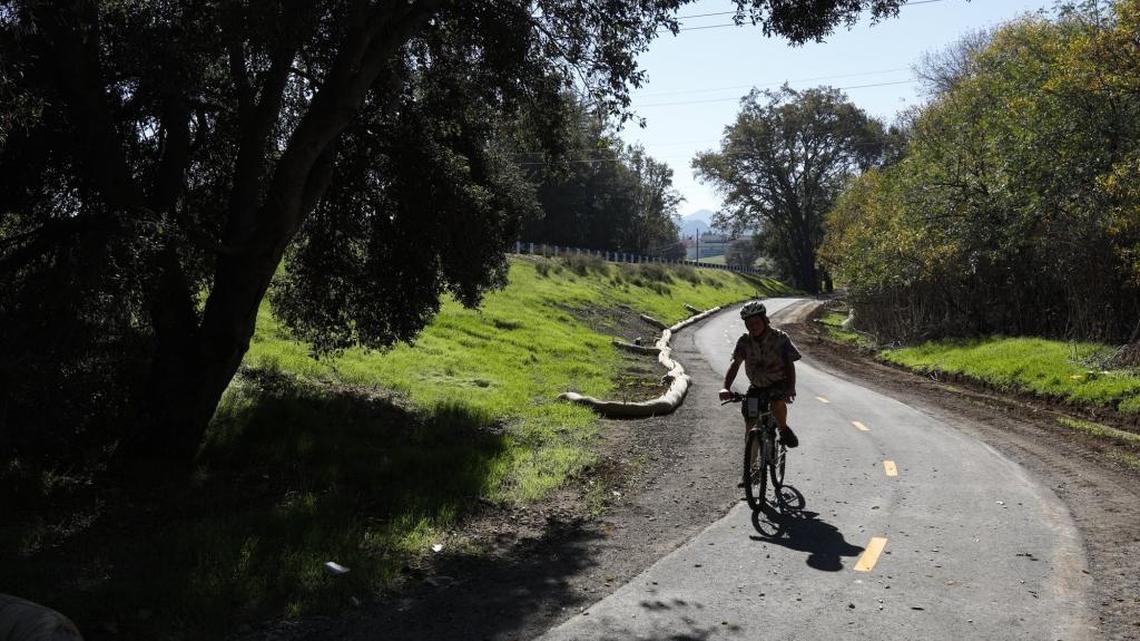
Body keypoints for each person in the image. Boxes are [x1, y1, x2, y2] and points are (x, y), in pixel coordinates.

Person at [718, 300, 801, 448]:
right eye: (749, 323)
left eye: (756, 322)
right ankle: (751, 458)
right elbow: (735, 365)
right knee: (750, 420)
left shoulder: (780, 338)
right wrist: (726, 388)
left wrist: (790, 388)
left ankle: (783, 429)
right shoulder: (744, 341)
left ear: (764, 320)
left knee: (776, 402)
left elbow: (790, 365)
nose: (753, 326)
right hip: (756, 386)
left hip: (778, 383)